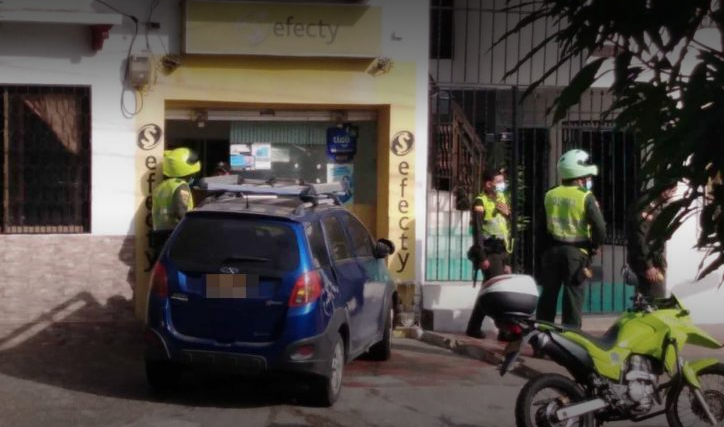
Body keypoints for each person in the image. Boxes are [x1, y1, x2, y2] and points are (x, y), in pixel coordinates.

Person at [535, 149, 606, 329]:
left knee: (548, 296)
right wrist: (595, 245)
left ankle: (542, 338)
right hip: (576, 253)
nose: (588, 180)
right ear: (579, 174)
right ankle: (571, 339)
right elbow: (600, 228)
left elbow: (540, 227)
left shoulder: (550, 194)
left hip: (552, 251)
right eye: (587, 176)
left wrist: (543, 253)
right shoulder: (585, 197)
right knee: (572, 297)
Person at [465, 168, 512, 339]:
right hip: (489, 251)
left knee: (490, 290)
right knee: (497, 291)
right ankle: (504, 330)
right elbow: (477, 232)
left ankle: (474, 327)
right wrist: (482, 256)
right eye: (498, 182)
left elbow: (505, 228)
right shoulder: (480, 201)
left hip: (501, 250)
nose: (502, 185)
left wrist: (508, 214)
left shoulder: (501, 200)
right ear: (488, 184)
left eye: (502, 181)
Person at [626, 183, 676, 298]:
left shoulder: (658, 204)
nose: (671, 196)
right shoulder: (646, 204)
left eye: (673, 192)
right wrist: (648, 265)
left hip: (654, 261)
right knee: (655, 298)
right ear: (663, 189)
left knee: (649, 299)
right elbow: (640, 237)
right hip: (646, 262)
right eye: (671, 191)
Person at [151, 147, 201, 256]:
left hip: (159, 234)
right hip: (174, 235)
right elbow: (181, 212)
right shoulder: (180, 185)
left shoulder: (161, 186)